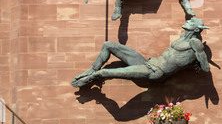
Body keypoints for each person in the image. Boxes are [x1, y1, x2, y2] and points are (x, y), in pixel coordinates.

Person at [71, 17, 210, 88]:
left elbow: (206, 68)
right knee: (108, 45)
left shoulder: (195, 44)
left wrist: (197, 59)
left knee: (106, 73)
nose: (188, 21)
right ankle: (92, 70)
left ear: (197, 29)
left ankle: (89, 78)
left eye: (192, 22)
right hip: (147, 63)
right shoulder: (182, 37)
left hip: (155, 72)